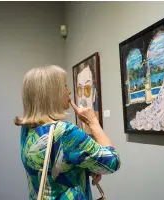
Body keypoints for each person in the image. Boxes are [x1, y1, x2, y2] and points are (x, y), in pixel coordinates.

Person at [15, 65, 121, 200]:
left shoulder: (27, 128)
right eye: (65, 86)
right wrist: (93, 122)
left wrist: (86, 168)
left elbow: (52, 167)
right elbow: (113, 162)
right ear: (52, 93)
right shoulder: (65, 132)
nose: (69, 91)